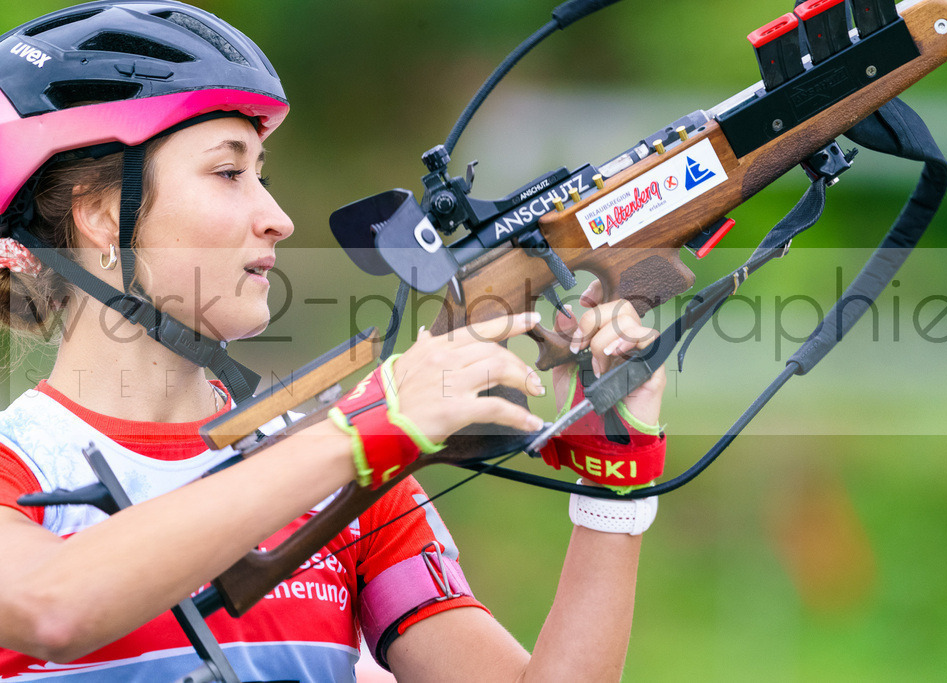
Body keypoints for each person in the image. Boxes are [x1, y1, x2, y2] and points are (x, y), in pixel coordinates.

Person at [0, 2, 668, 681]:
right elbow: (51, 607)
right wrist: (358, 434)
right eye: (228, 173)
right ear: (101, 213)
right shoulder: (15, 467)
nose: (278, 218)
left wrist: (614, 482)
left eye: (263, 176)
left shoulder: (348, 474)